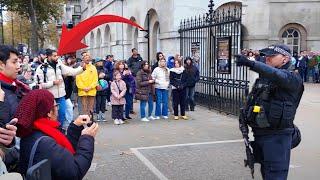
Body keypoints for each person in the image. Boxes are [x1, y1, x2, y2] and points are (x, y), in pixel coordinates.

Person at [235, 44, 304, 180]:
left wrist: (251, 64)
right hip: (261, 135)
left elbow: (277, 75)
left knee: (274, 176)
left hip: (277, 137)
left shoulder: (292, 78)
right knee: (266, 174)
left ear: (285, 59)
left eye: (272, 56)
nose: (267, 58)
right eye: (265, 55)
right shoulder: (265, 79)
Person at [15, 89, 98, 180]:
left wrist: (75, 127)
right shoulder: (45, 143)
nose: (57, 109)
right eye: (56, 106)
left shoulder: (34, 131)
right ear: (49, 113)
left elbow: (62, 152)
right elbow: (74, 172)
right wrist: (87, 138)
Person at [35, 49, 85, 129]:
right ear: (48, 56)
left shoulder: (59, 65)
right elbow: (39, 84)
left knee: (62, 114)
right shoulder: (41, 68)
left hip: (61, 96)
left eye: (57, 55)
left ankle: (59, 130)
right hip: (50, 97)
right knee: (51, 117)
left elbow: (72, 71)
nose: (57, 57)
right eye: (54, 56)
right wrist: (53, 83)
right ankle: (51, 132)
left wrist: (82, 68)